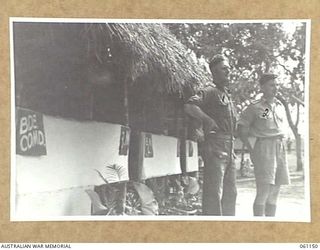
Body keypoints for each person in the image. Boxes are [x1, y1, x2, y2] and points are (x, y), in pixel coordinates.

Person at [184, 55, 237, 216]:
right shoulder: (210, 91)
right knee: (214, 194)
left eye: (229, 68)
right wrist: (207, 120)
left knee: (231, 193)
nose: (228, 71)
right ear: (214, 72)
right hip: (216, 145)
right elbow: (189, 106)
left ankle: (228, 230)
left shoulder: (226, 95)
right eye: (224, 68)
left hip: (230, 146)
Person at [238, 73, 290, 217]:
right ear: (262, 88)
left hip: (280, 147)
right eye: (271, 85)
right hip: (264, 148)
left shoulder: (278, 106)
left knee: (275, 190)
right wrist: (252, 149)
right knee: (264, 190)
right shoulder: (255, 107)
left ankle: (270, 227)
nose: (275, 88)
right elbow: (242, 130)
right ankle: (259, 228)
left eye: (276, 85)